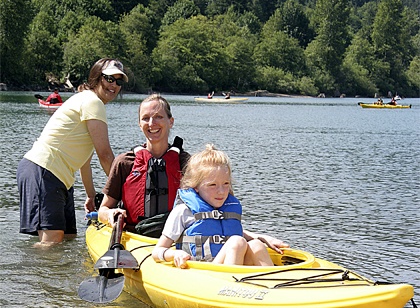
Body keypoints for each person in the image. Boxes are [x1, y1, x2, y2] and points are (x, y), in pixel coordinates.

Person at [17, 58, 127, 246]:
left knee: (68, 239)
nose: (114, 85)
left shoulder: (88, 100)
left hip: (60, 177)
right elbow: (105, 155)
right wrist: (124, 192)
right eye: (110, 79)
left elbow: (85, 160)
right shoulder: (93, 102)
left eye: (119, 81)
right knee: (51, 242)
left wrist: (91, 195)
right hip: (45, 170)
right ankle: (29, 274)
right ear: (97, 77)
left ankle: (56, 275)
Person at [152, 144, 289, 268]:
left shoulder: (227, 207)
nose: (221, 191)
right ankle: (231, 287)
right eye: (212, 185)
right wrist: (175, 254)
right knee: (236, 242)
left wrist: (263, 238)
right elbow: (157, 251)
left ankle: (273, 286)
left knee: (256, 245)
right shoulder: (183, 212)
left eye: (226, 184)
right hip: (206, 271)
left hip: (228, 261)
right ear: (196, 187)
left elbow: (229, 232)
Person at [98, 94, 190, 237]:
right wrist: (110, 213)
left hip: (175, 239)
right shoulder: (124, 162)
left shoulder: (187, 163)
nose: (152, 123)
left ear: (170, 122)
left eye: (158, 116)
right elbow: (103, 209)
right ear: (139, 124)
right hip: (134, 237)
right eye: (146, 118)